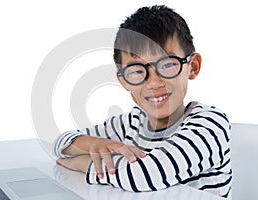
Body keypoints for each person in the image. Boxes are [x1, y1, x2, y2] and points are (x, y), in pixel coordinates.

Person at [54, 5, 232, 198]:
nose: (154, 82)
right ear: (123, 80)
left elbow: (145, 175)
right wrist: (91, 144)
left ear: (193, 67)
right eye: (137, 71)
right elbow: (60, 144)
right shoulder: (131, 123)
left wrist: (79, 163)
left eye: (167, 65)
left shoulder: (211, 124)